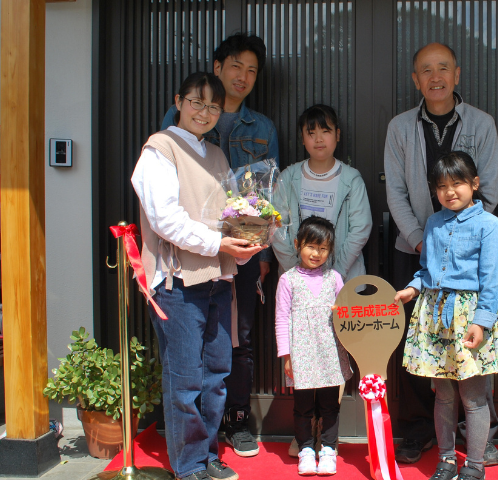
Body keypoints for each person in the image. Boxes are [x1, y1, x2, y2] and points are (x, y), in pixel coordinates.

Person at [133, 72, 266, 480]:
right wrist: (222, 244)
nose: (205, 112)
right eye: (197, 102)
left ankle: (208, 456)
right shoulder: (160, 148)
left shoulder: (218, 156)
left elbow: (225, 219)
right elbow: (165, 220)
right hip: (177, 282)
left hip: (216, 280)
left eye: (213, 106)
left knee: (216, 377)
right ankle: (189, 465)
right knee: (186, 379)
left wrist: (252, 232)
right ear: (178, 101)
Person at [383, 41, 498, 466]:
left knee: (471, 350)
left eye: (443, 69)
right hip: (415, 246)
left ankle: (477, 438)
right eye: (426, 71)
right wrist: (422, 239)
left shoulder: (481, 124)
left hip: (469, 257)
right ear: (416, 80)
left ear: (456, 75)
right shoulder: (399, 127)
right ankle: (419, 431)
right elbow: (395, 190)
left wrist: (463, 238)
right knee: (421, 348)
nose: (435, 77)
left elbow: (488, 185)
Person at [161, 33, 279, 457]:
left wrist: (262, 252)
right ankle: (189, 429)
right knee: (192, 341)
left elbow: (268, 196)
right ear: (217, 67)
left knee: (238, 336)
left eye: (252, 70)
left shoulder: (262, 127)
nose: (243, 77)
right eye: (236, 67)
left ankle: (237, 418)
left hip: (243, 251)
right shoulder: (174, 126)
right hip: (190, 251)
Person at [394, 152, 498, 480]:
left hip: (470, 316)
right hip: (434, 313)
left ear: (474, 184)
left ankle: (474, 466)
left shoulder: (490, 225)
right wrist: (412, 290)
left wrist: (482, 321)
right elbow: (427, 270)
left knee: (473, 396)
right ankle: (446, 460)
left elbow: (493, 279)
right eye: (442, 186)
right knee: (443, 395)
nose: (450, 192)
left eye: (457, 183)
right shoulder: (433, 222)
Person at [275, 216, 353, 476]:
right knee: (303, 406)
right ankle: (306, 450)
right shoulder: (287, 280)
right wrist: (286, 356)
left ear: (330, 250)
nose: (316, 253)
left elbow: (344, 316)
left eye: (323, 248)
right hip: (302, 355)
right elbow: (282, 319)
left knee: (331, 404)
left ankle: (329, 450)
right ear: (298, 244)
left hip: (330, 352)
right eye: (311, 246)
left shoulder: (334, 278)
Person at [272, 104, 372, 282]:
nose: (318, 139)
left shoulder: (351, 179)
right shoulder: (288, 178)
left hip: (344, 279)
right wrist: (297, 274)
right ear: (302, 138)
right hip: (297, 283)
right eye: (311, 133)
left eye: (325, 131)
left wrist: (337, 274)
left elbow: (360, 229)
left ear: (337, 135)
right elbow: (276, 227)